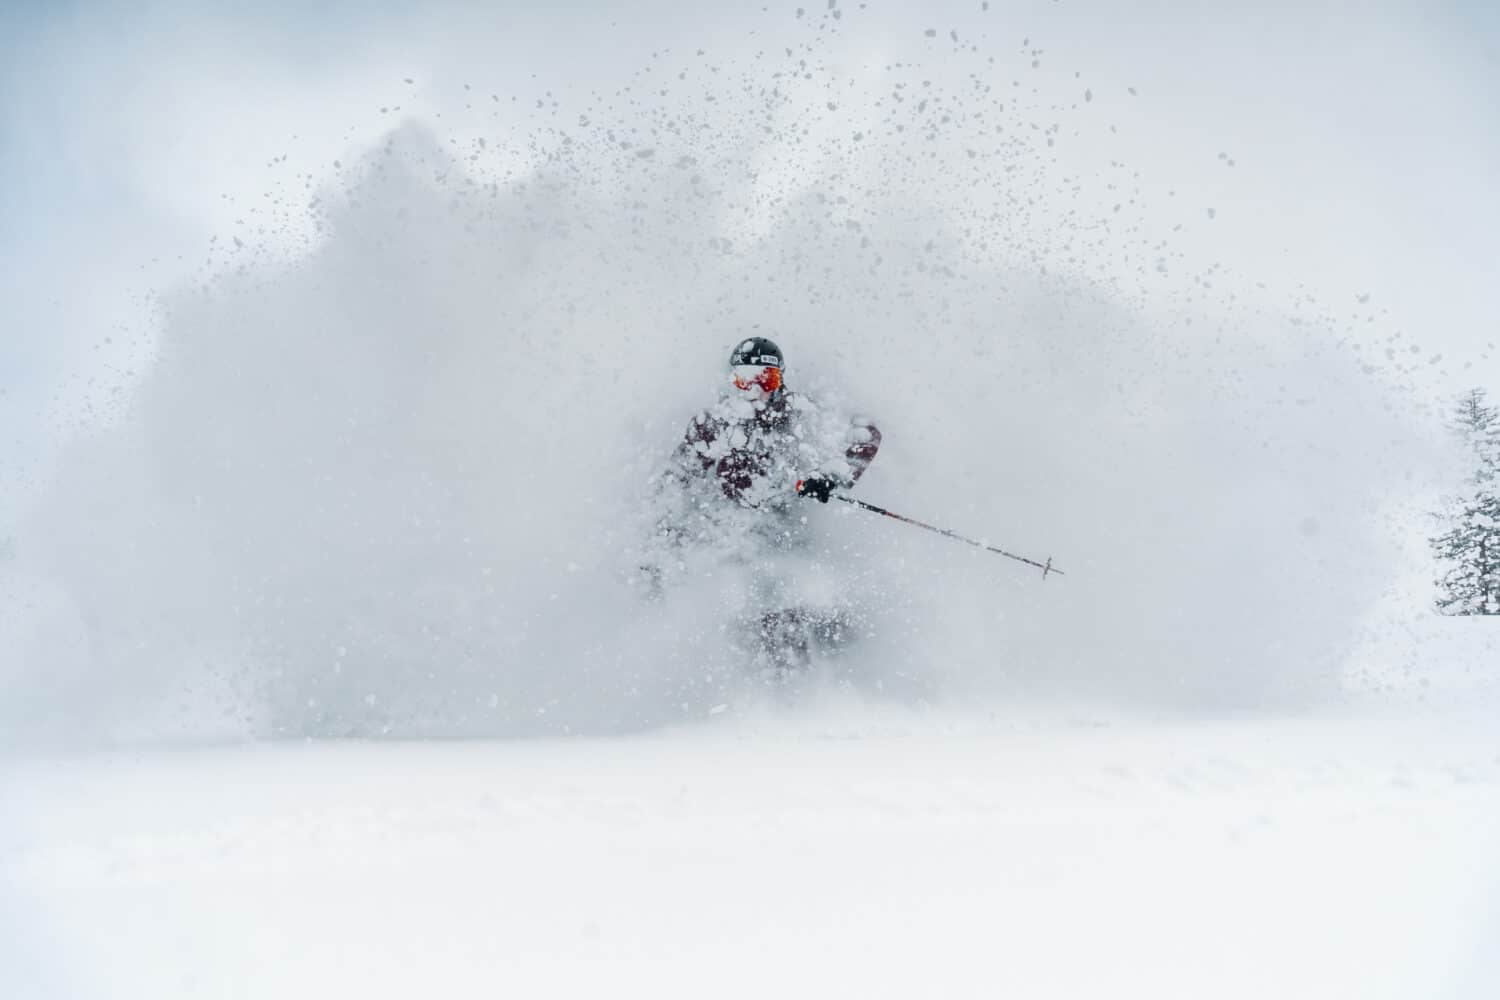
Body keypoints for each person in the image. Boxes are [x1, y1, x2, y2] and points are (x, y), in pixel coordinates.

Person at [643, 336, 881, 672]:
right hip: (736, 535)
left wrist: (830, 476)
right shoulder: (714, 425)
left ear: (780, 379)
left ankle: (851, 674)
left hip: (793, 528)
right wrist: (663, 540)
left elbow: (865, 434)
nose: (755, 391)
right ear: (732, 381)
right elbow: (677, 481)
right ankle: (761, 687)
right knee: (752, 608)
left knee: (820, 603)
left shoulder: (801, 413)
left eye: (765, 380)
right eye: (745, 380)